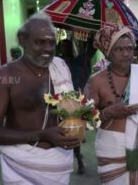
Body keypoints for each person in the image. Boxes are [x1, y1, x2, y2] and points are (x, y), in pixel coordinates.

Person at [0, 13, 80, 185]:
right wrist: (42, 135)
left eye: (51, 42)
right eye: (40, 42)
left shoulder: (61, 67)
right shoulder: (4, 76)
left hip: (58, 163)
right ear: (22, 40)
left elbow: (69, 111)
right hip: (21, 166)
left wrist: (77, 127)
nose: (48, 49)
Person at [85, 25, 138, 184]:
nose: (126, 53)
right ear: (108, 53)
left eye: (129, 48)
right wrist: (109, 113)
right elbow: (85, 121)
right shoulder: (96, 81)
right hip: (111, 148)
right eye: (119, 49)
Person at [57, 39, 85, 174]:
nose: (64, 48)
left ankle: (79, 160)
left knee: (73, 130)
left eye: (66, 46)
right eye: (62, 45)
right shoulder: (57, 61)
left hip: (72, 99)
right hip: (57, 99)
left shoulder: (76, 60)